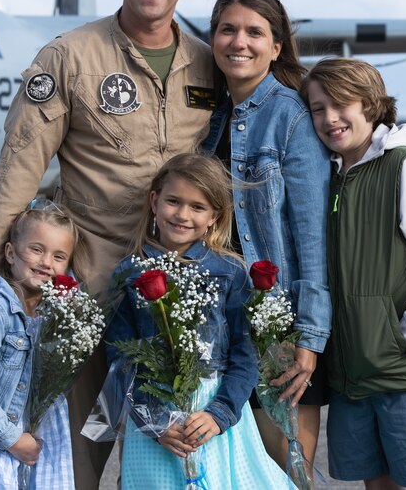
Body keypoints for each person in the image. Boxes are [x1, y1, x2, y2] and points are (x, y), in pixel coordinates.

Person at [0, 0, 216, 486]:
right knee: (75, 461)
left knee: (174, 464)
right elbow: (17, 172)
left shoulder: (209, 64)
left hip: (180, 304)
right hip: (86, 296)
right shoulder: (68, 58)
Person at [301, 58, 406, 490]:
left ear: (371, 105)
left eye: (341, 104)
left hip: (404, 373)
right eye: (317, 109)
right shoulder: (331, 176)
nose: (329, 118)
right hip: (352, 375)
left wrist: (404, 338)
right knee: (377, 485)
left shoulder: (403, 166)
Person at [200, 0, 331, 469]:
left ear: (276, 47)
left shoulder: (290, 117)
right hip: (221, 322)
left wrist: (309, 338)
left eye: (255, 32)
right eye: (228, 30)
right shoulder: (213, 119)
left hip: (281, 328)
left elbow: (312, 237)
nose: (240, 42)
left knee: (285, 472)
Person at [105, 153, 289, 489]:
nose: (182, 214)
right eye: (173, 201)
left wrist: (220, 414)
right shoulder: (130, 274)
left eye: (197, 207)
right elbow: (121, 361)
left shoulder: (230, 272)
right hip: (157, 424)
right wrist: (155, 424)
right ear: (154, 201)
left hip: (214, 416)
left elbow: (245, 354)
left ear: (214, 217)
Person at [0, 203, 80, 489]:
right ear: (10, 253)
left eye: (59, 256)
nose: (47, 261)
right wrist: (11, 438)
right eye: (37, 249)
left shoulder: (56, 318)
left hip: (44, 440)